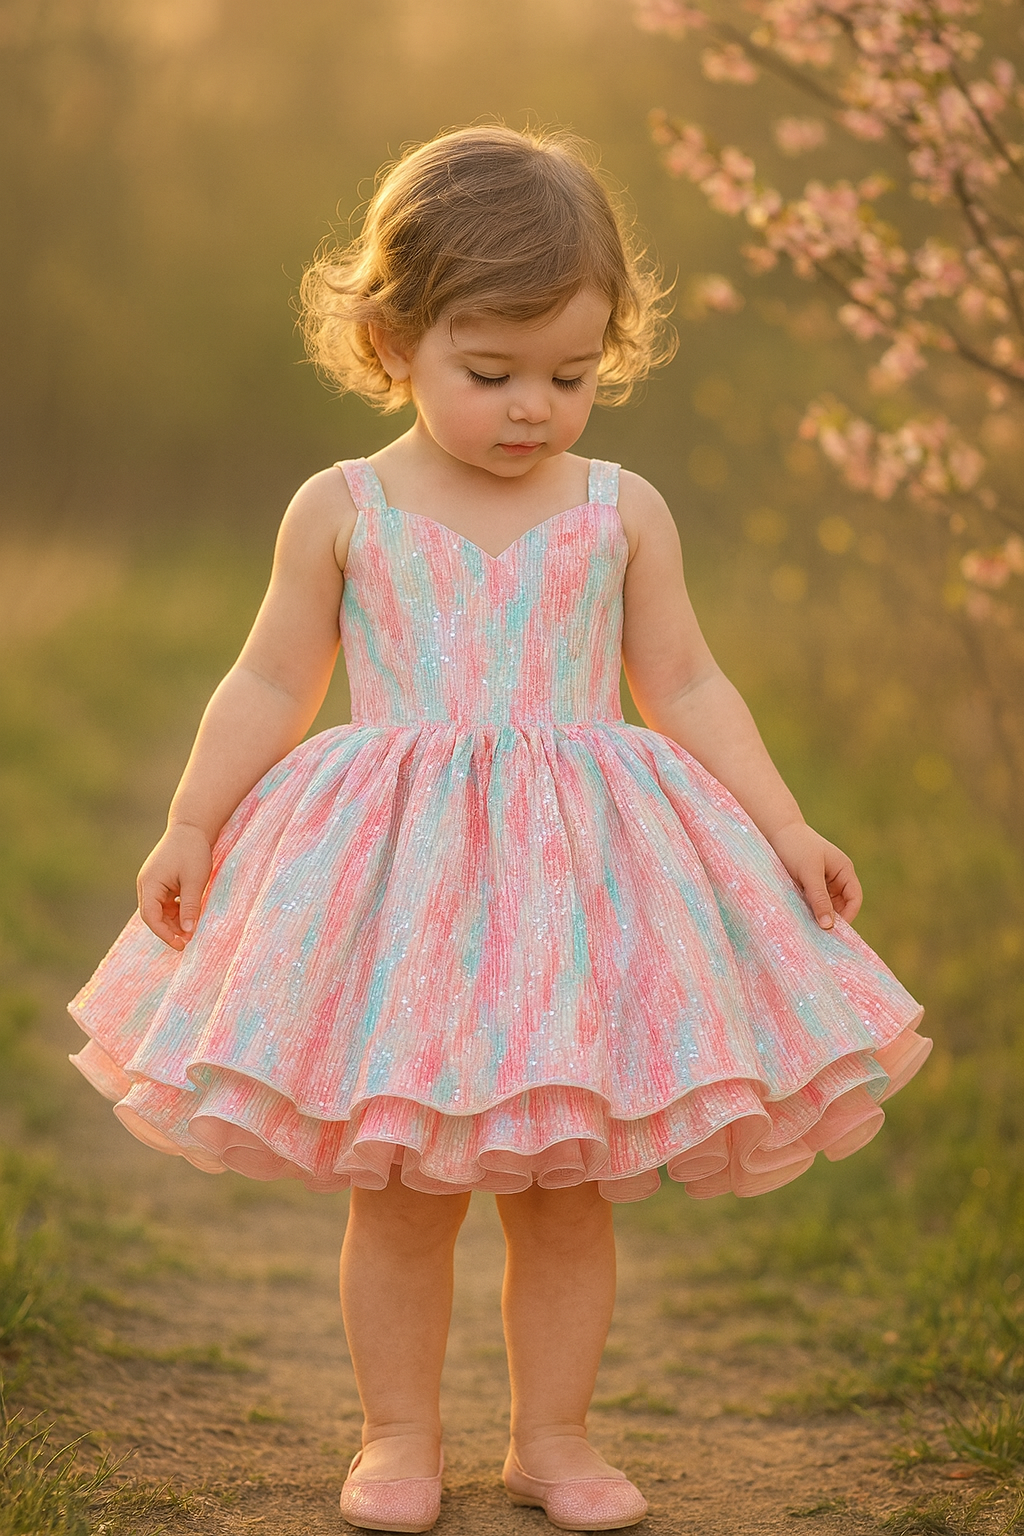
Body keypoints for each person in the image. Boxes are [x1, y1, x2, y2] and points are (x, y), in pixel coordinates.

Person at [68, 124, 929, 1534]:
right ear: (395, 337)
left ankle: (557, 1440)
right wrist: (190, 820)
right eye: (494, 372)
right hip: (400, 897)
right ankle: (398, 1439)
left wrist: (783, 825)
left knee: (564, 1189)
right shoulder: (341, 508)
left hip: (574, 897)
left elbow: (689, 681)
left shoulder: (620, 510)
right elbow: (272, 677)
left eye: (573, 376)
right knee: (403, 1191)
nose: (536, 407)